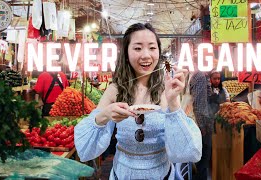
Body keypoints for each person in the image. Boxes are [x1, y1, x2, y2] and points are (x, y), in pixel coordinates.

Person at [74, 23, 202, 179]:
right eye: (137, 48)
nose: (146, 55)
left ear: (159, 52)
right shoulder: (115, 90)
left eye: (152, 48)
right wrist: (105, 115)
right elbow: (85, 148)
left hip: (162, 174)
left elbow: (187, 152)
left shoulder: (168, 88)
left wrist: (173, 101)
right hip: (122, 174)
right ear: (126, 52)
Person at [189, 70, 212, 180]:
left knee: (194, 165)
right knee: (201, 164)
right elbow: (199, 105)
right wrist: (203, 127)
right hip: (198, 126)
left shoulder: (191, 73)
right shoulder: (199, 75)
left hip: (189, 125)